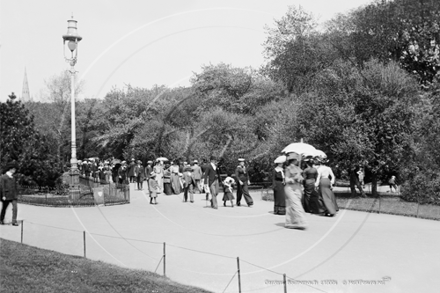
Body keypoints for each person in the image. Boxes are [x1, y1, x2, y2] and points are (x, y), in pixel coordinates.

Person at [284, 153, 307, 230]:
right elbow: (286, 180)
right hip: (290, 188)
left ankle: (290, 222)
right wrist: (293, 179)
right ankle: (301, 221)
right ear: (293, 160)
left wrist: (300, 178)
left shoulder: (298, 169)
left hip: (298, 188)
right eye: (297, 159)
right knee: (295, 204)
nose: (298, 160)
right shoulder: (288, 169)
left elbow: (301, 179)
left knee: (291, 205)